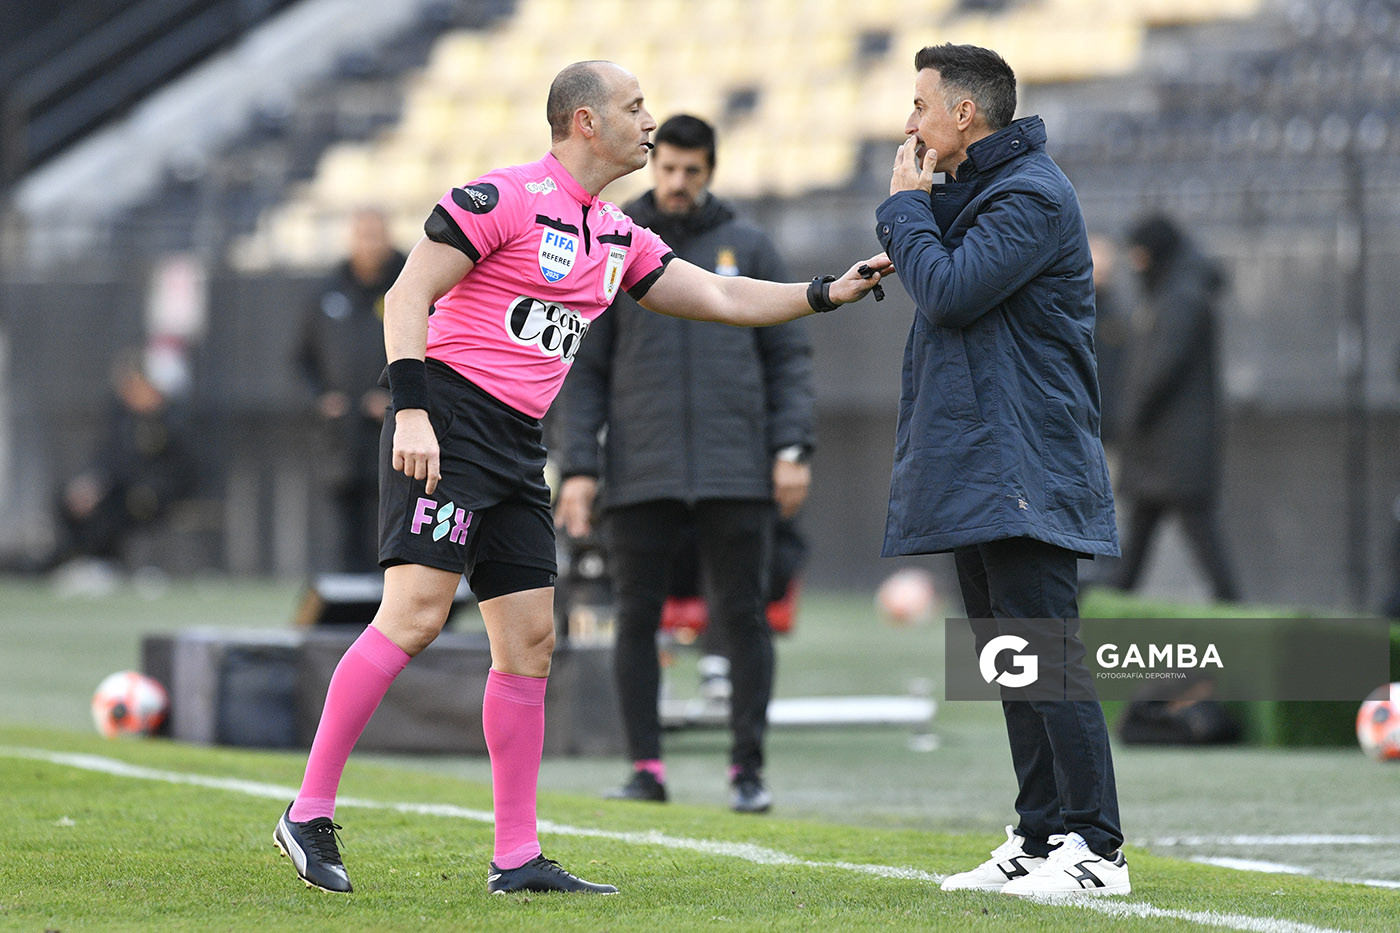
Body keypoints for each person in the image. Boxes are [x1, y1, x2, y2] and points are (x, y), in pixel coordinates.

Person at [271, 60, 889, 897]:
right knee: (413, 616)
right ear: (586, 122)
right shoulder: (506, 197)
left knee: (530, 641)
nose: (650, 119)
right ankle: (307, 810)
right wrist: (410, 410)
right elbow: (406, 292)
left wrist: (825, 293)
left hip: (519, 444)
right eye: (636, 108)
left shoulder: (617, 234)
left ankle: (517, 856)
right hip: (449, 423)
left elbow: (720, 296)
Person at [875, 44, 1128, 896]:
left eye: (919, 105)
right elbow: (943, 271)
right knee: (1009, 658)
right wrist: (911, 227)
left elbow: (948, 291)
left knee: (1045, 654)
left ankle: (1098, 850)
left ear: (964, 115)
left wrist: (906, 214)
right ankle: (1039, 833)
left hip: (1026, 457)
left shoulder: (1030, 193)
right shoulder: (980, 192)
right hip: (985, 459)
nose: (908, 122)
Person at [554, 114, 814, 814]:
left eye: (690, 171)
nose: (676, 182)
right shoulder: (610, 240)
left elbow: (788, 357)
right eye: (666, 167)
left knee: (744, 618)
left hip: (738, 468)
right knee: (635, 617)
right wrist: (578, 465)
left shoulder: (750, 244)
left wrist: (791, 449)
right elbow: (581, 369)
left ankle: (746, 772)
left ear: (709, 170)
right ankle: (645, 767)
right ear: (654, 163)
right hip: (642, 470)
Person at [1112, 213, 1240, 602]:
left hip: (1172, 446)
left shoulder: (1180, 297)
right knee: (1143, 537)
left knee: (1197, 533)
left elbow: (1159, 368)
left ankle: (1232, 606)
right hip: (1164, 447)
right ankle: (1110, 603)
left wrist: (1129, 416)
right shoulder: (1174, 290)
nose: (1133, 264)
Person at [295, 208, 407, 572]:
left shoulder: (410, 287)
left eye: (376, 234)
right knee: (345, 531)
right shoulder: (327, 294)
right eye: (363, 235)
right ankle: (349, 616)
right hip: (342, 436)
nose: (370, 244)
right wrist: (321, 399)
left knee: (393, 525)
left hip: (397, 436)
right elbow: (301, 360)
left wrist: (397, 397)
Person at [34, 348, 194, 573]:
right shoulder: (122, 416)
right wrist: (91, 483)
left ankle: (98, 563)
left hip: (151, 493)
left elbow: (170, 469)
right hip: (115, 486)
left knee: (117, 507)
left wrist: (109, 484)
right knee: (69, 498)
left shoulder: (170, 420)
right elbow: (107, 455)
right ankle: (77, 559)